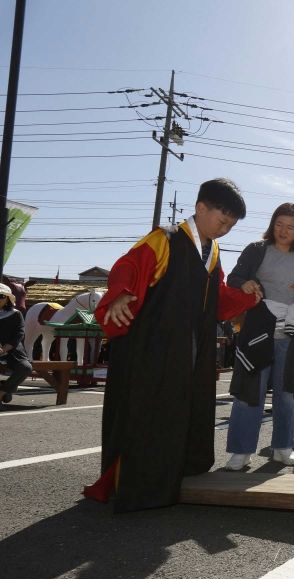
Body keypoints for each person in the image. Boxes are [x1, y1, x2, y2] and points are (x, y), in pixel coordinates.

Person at [82, 178, 258, 511]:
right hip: (153, 349)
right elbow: (128, 267)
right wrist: (119, 295)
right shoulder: (164, 240)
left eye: (231, 226)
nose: (225, 230)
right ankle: (141, 485)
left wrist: (244, 295)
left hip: (190, 349)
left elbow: (217, 299)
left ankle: (174, 474)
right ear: (200, 208)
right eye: (223, 221)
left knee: (180, 409)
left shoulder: (213, 252)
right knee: (150, 411)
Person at [225, 202, 294, 470]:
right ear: (272, 224)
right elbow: (233, 279)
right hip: (258, 330)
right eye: (279, 224)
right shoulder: (256, 249)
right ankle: (240, 452)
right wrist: (244, 283)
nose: (283, 230)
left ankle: (283, 447)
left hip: (290, 334)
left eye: (290, 227)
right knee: (249, 391)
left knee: (288, 393)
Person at [0, 283, 31, 404]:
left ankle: (2, 392)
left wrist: (5, 349)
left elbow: (19, 333)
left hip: (13, 350)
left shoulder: (16, 314)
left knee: (25, 368)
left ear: (8, 298)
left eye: (1, 296)